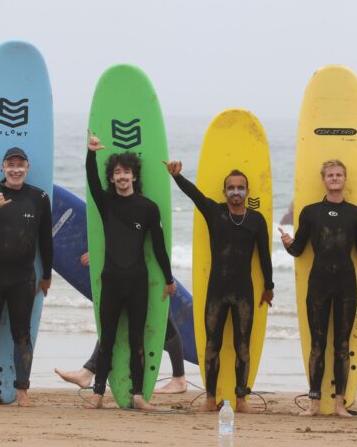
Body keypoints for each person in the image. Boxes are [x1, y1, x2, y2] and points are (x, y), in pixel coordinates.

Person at [164, 159, 273, 413]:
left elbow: (264, 256)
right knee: (212, 344)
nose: (236, 192)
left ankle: (241, 400)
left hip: (243, 292)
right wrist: (177, 177)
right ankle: (210, 398)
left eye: (241, 187)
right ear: (225, 192)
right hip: (217, 291)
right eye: (231, 187)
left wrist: (269, 286)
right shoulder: (214, 212)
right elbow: (194, 195)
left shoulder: (256, 220)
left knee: (242, 346)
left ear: (247, 191)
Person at [279, 159, 357, 417]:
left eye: (339, 174)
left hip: (347, 285)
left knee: (342, 345)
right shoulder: (310, 212)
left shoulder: (356, 214)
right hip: (318, 285)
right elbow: (298, 249)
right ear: (323, 180)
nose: (335, 178)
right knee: (317, 344)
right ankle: (314, 403)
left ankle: (340, 404)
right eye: (330, 175)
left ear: (344, 179)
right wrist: (286, 242)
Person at [85, 131, 176, 410]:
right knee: (108, 338)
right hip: (111, 280)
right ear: (111, 178)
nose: (122, 177)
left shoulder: (149, 208)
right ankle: (98, 393)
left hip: (138, 282)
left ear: (134, 176)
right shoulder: (106, 203)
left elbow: (159, 247)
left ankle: (138, 396)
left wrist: (169, 279)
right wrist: (91, 153)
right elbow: (91, 180)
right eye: (116, 173)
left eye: (126, 172)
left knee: (137, 338)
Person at [0, 146, 53, 407]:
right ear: (3, 167)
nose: (15, 169)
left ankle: (22, 391)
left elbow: (45, 240)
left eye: (20, 165)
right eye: (10, 164)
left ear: (27, 168)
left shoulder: (39, 197)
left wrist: (46, 274)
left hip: (23, 277)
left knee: (22, 334)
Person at [54, 253, 188, 394]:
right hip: (143, 270)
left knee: (163, 322)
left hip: (147, 271)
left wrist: (100, 253)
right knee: (118, 320)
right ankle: (87, 372)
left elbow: (138, 241)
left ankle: (179, 379)